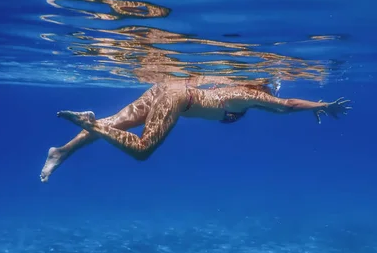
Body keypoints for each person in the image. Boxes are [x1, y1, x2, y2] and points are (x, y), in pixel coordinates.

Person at [40, 77, 351, 182]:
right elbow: (286, 105)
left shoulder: (234, 92)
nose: (268, 92)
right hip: (177, 97)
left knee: (115, 124)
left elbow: (282, 111)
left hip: (165, 89)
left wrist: (314, 108)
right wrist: (322, 105)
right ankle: (89, 121)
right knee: (142, 149)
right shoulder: (247, 94)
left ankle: (61, 151)